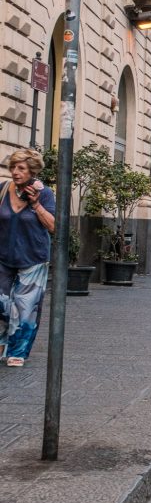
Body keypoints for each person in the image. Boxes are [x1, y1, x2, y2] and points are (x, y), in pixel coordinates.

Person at [0, 150, 56, 366]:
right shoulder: (3, 190)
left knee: (26, 308)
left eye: (21, 168)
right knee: (2, 303)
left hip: (33, 257)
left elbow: (53, 226)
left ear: (32, 171)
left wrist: (36, 205)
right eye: (13, 167)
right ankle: (3, 341)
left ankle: (18, 351)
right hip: (3, 256)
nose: (15, 172)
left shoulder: (45, 194)